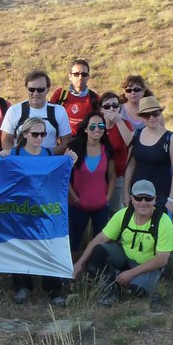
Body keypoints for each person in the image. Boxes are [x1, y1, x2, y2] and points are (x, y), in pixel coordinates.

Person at [72, 179, 173, 306]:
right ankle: (110, 293)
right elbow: (99, 239)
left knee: (138, 291)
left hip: (148, 265)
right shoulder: (123, 215)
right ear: (132, 199)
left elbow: (161, 260)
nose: (143, 203)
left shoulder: (164, 222)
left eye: (148, 199)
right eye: (138, 198)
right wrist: (79, 263)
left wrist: (131, 273)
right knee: (99, 250)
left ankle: (133, 278)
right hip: (125, 257)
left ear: (155, 199)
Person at [6, 119, 51, 304]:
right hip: (19, 208)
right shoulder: (14, 153)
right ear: (25, 134)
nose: (39, 138)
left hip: (43, 208)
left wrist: (69, 161)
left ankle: (52, 287)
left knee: (48, 246)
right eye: (35, 134)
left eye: (43, 134)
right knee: (20, 247)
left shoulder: (49, 154)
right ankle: (22, 286)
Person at [122, 95, 173, 219]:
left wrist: (172, 200)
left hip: (160, 197)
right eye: (146, 115)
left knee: (159, 233)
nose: (151, 118)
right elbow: (130, 166)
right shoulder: (136, 135)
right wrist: (125, 193)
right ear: (141, 117)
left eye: (155, 113)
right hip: (137, 196)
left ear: (160, 114)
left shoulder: (170, 139)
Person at [68, 112, 116, 265]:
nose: (97, 129)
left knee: (100, 243)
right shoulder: (74, 149)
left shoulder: (107, 150)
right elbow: (64, 177)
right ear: (85, 129)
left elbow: (112, 177)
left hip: (101, 206)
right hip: (77, 207)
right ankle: (69, 270)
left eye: (101, 126)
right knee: (73, 241)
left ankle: (94, 270)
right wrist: (75, 198)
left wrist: (107, 198)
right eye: (93, 126)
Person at [1, 70, 72, 153]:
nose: (35, 93)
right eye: (31, 89)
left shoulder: (59, 111)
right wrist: (17, 157)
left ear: (48, 89)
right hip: (21, 162)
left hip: (49, 162)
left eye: (40, 89)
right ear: (26, 89)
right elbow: (6, 140)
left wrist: (45, 155)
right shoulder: (14, 111)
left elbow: (66, 142)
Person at [98, 91, 135, 213]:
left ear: (119, 108)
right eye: (107, 106)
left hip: (119, 175)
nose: (111, 109)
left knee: (117, 211)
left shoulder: (124, 124)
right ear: (101, 109)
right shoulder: (96, 125)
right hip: (98, 175)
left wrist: (118, 121)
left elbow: (131, 143)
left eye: (115, 106)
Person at [50, 59, 99, 134]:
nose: (80, 77)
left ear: (88, 77)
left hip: (84, 142)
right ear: (70, 76)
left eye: (84, 74)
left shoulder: (94, 98)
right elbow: (49, 117)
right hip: (62, 142)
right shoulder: (60, 94)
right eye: (76, 74)